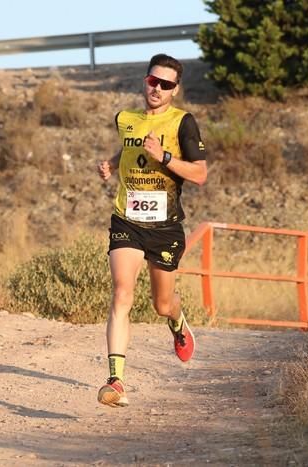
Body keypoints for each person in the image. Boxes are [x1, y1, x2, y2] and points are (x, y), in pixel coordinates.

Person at [96, 53, 208, 408]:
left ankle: (177, 321)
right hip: (126, 220)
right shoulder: (126, 119)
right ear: (145, 81)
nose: (156, 89)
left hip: (164, 227)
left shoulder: (183, 123)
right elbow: (132, 147)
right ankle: (116, 382)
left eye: (166, 84)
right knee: (121, 294)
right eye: (152, 81)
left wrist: (165, 158)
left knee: (161, 304)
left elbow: (200, 174)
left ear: (175, 90)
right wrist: (113, 164)